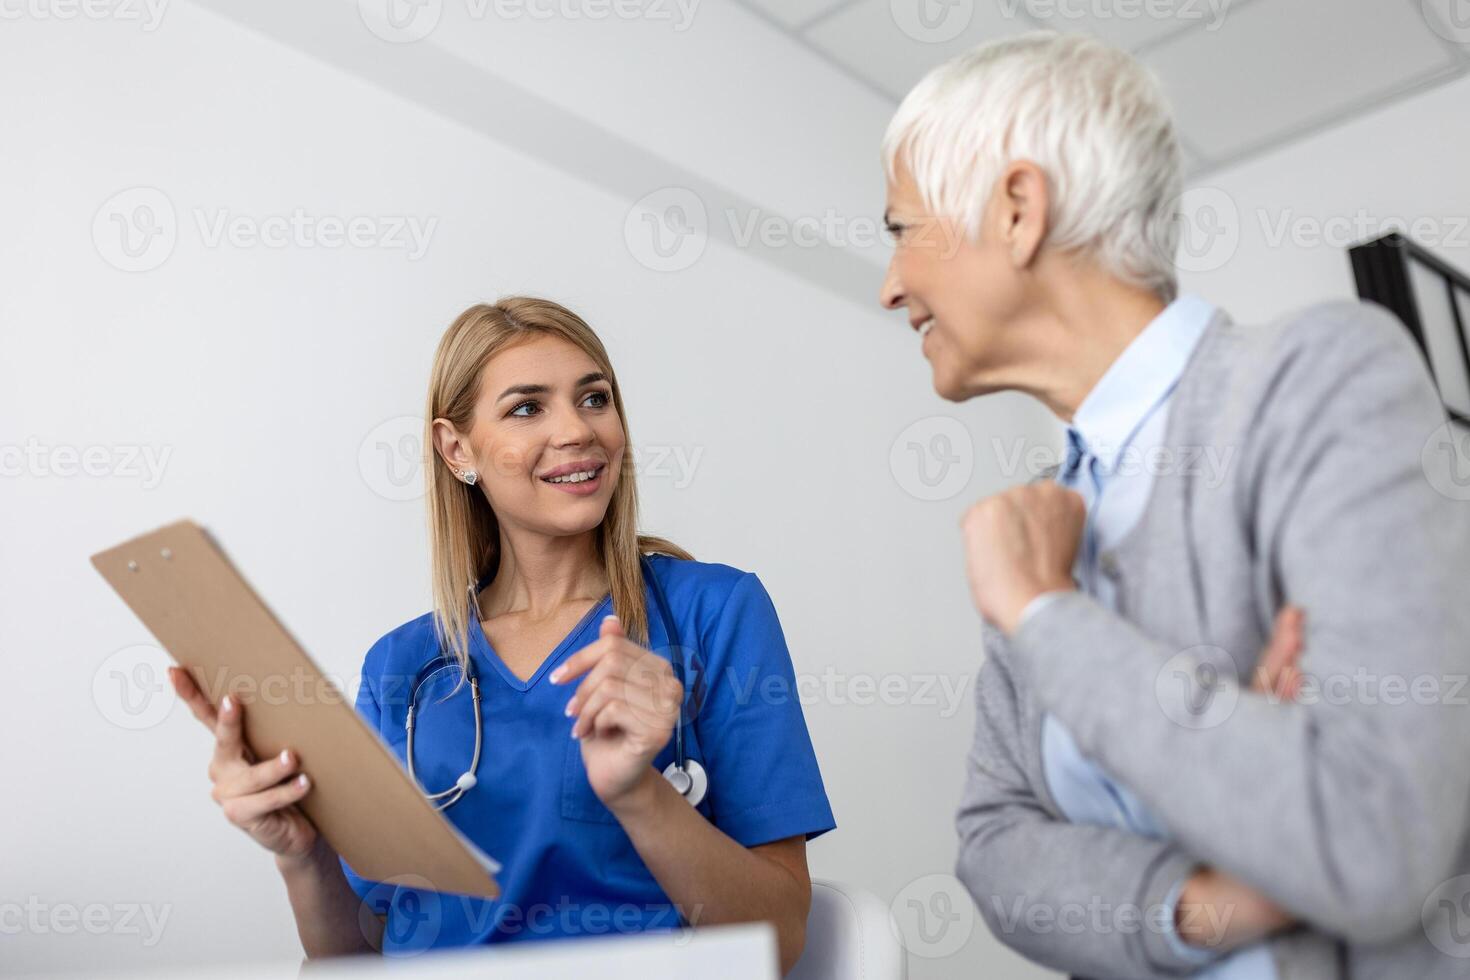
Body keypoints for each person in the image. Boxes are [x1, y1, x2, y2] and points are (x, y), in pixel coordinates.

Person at [878, 30, 1470, 978]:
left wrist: (1048, 615)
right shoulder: (1038, 521)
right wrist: (1202, 900)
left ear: (1019, 210)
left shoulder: (1322, 378)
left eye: (902, 229)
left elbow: (1372, 838)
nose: (889, 286)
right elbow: (993, 850)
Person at [168, 297, 834, 972]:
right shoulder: (403, 665)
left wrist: (639, 794)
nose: (578, 430)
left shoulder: (714, 613)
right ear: (456, 448)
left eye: (595, 398)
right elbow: (356, 953)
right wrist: (301, 853)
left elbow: (777, 939)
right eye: (527, 407)